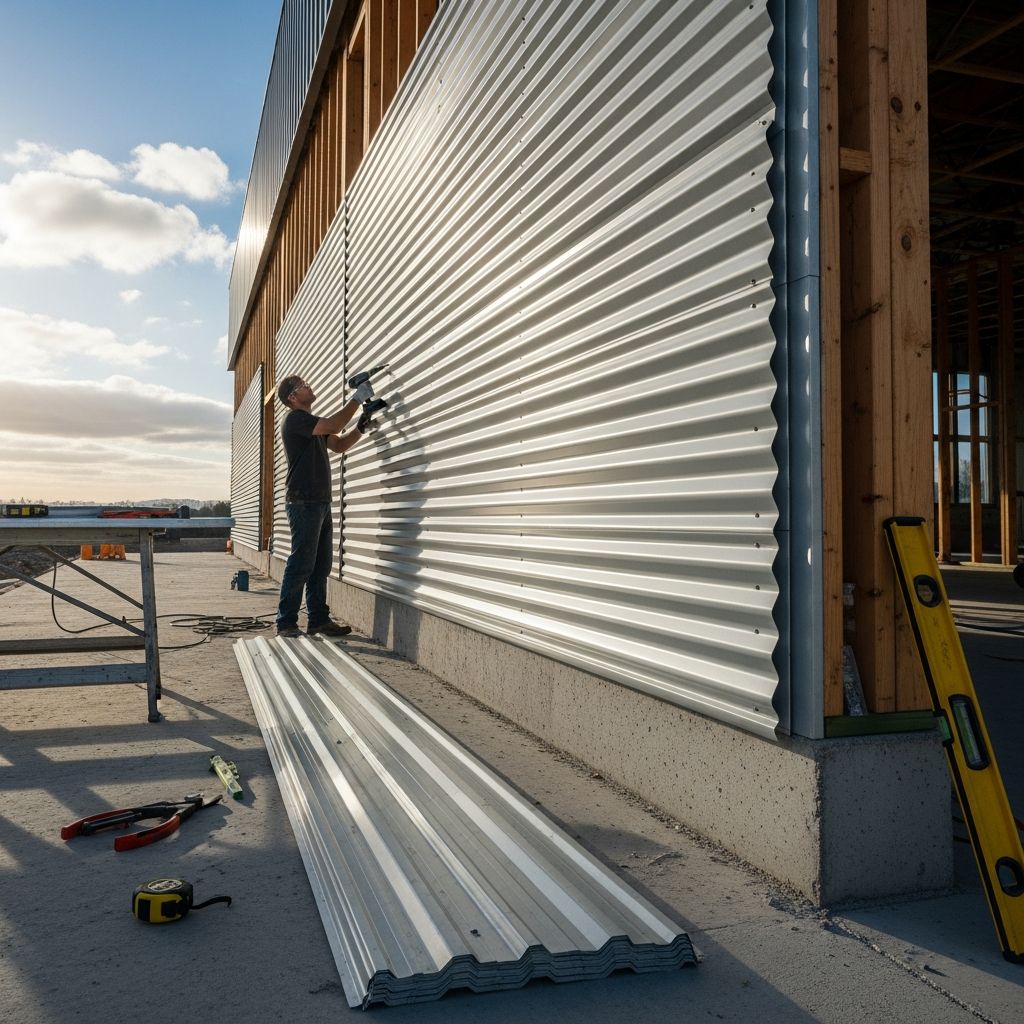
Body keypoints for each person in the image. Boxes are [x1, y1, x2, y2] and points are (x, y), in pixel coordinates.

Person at [274, 373, 374, 638]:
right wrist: (358, 397)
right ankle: (286, 623)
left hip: (319, 501)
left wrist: (361, 426)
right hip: (303, 500)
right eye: (303, 386)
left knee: (320, 566)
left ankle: (318, 620)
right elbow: (335, 424)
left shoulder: (313, 425)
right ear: (293, 397)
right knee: (301, 563)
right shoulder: (296, 420)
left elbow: (339, 444)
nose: (310, 386)